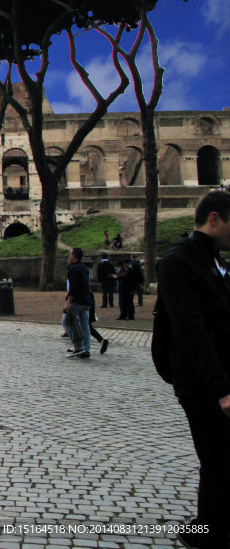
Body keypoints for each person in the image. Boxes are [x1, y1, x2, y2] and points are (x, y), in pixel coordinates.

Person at [157, 190, 230, 547]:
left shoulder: (216, 261)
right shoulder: (179, 262)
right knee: (217, 459)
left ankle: (211, 526)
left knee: (221, 459)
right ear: (214, 219)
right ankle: (208, 532)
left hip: (219, 377)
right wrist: (222, 389)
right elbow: (190, 330)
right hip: (202, 384)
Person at [63, 247, 92, 359]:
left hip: (76, 301)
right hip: (86, 300)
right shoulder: (84, 268)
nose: (69, 256)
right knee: (85, 326)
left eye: (70, 254)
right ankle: (87, 349)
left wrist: (68, 302)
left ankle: (78, 346)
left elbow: (73, 287)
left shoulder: (73, 269)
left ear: (74, 255)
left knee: (67, 322)